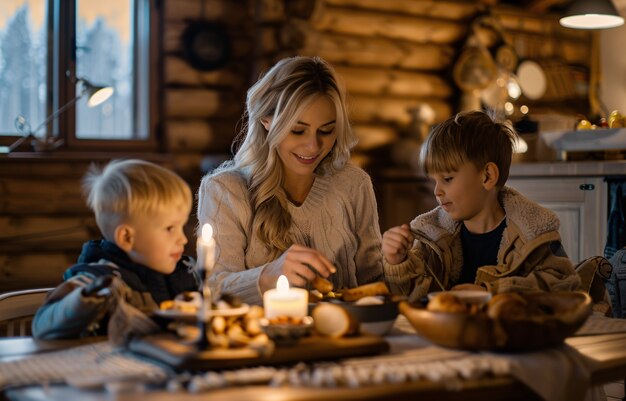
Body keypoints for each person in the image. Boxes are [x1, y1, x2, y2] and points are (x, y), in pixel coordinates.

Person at [197, 56, 384, 305]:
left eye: (326, 131)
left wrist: (397, 262)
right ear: (266, 120)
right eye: (298, 130)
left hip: (344, 338)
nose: (313, 146)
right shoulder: (225, 191)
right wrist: (266, 277)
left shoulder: (353, 185)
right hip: (262, 340)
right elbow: (211, 289)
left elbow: (376, 284)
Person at [382, 111, 581, 302]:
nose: (437, 191)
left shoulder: (531, 235)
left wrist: (493, 293)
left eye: (447, 179)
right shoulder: (432, 236)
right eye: (434, 180)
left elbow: (565, 287)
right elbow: (412, 297)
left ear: (487, 176)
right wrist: (397, 262)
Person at [32, 159, 199, 339]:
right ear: (127, 237)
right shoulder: (99, 280)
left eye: (182, 226)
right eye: (170, 228)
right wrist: (85, 299)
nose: (183, 239)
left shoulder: (188, 274)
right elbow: (41, 326)